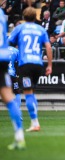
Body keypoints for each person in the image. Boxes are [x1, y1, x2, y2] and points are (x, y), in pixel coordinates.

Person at [8, 7, 53, 132]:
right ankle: (35, 121)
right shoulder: (41, 29)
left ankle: (35, 123)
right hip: (38, 65)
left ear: (23, 17)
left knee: (28, 93)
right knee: (32, 92)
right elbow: (48, 47)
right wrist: (49, 65)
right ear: (35, 17)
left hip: (26, 65)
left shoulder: (20, 28)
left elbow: (10, 42)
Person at [0, 8, 25, 150]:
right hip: (8, 70)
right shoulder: (2, 13)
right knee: (12, 96)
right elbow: (18, 64)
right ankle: (19, 136)